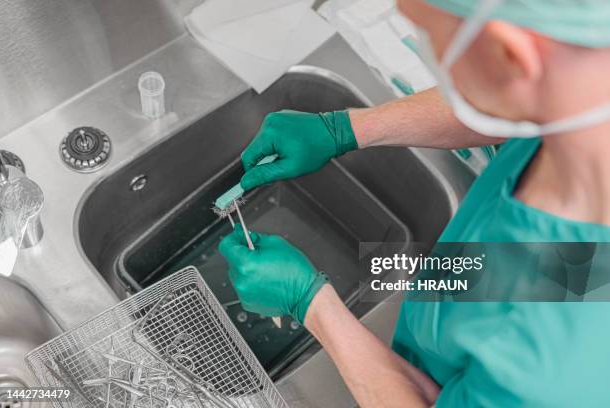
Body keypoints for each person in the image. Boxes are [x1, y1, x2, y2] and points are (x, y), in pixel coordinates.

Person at [219, 0, 610, 406]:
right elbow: (513, 99)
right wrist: (345, 129)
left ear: (510, 53)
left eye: (427, 33)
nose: (424, 49)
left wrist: (311, 304)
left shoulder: (559, 361)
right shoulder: (586, 81)